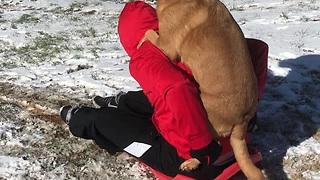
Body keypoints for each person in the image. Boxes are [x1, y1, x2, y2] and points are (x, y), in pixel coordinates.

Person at [60, 1, 268, 180]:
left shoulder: (144, 58)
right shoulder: (186, 42)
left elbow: (177, 88)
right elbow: (258, 49)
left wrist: (202, 146)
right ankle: (120, 101)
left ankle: (78, 117)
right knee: (158, 94)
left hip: (194, 157)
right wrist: (245, 112)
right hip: (234, 139)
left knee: (106, 122)